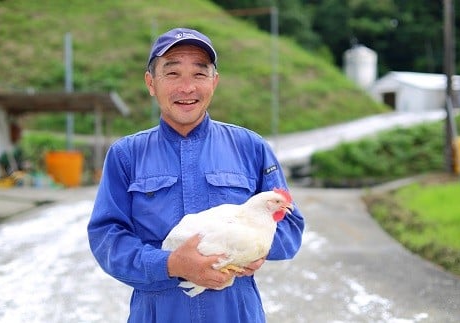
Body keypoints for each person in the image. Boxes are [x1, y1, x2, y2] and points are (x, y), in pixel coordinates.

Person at [87, 27, 304, 323]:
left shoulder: (250, 147)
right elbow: (107, 239)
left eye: (199, 74)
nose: (187, 88)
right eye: (173, 73)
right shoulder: (126, 155)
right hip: (157, 312)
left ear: (214, 82)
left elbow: (290, 228)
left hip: (235, 311)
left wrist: (255, 247)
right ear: (151, 83)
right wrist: (171, 264)